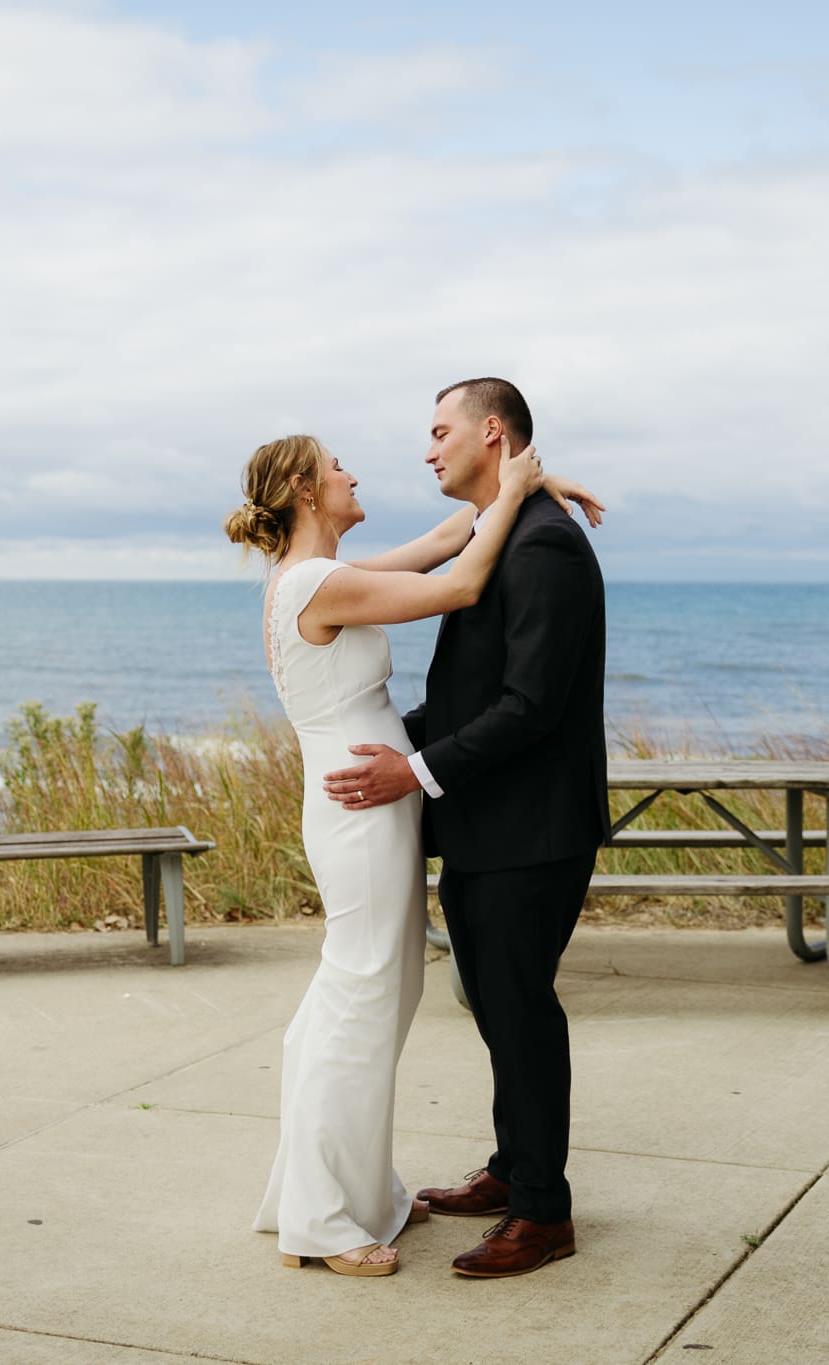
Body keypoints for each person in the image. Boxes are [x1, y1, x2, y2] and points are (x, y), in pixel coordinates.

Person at [224, 430, 601, 1278]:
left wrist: (527, 481)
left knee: (376, 995)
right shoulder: (319, 582)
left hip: (377, 801)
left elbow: (444, 541)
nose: (355, 474)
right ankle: (321, 1220)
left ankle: (344, 1191)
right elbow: (461, 582)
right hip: (364, 806)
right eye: (337, 468)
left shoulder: (320, 574)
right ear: (305, 491)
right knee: (361, 998)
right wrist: (519, 491)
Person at [321, 378, 608, 1279]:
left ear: (493, 433)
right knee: (494, 1004)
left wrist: (412, 770)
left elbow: (529, 705)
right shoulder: (503, 533)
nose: (428, 448)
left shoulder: (545, 547)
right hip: (488, 824)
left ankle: (544, 1212)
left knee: (520, 1009)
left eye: (440, 430)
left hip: (534, 831)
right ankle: (512, 1167)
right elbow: (465, 694)